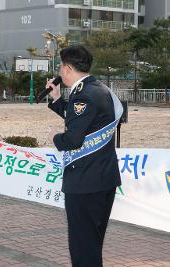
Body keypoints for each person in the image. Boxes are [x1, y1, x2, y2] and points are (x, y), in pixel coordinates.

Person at [46, 45, 122, 267]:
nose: (60, 71)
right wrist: (58, 99)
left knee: (82, 248)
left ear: (68, 68)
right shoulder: (99, 90)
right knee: (92, 243)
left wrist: (55, 138)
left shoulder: (84, 96)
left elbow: (73, 139)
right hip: (103, 179)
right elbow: (84, 121)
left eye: (61, 66)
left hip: (85, 183)